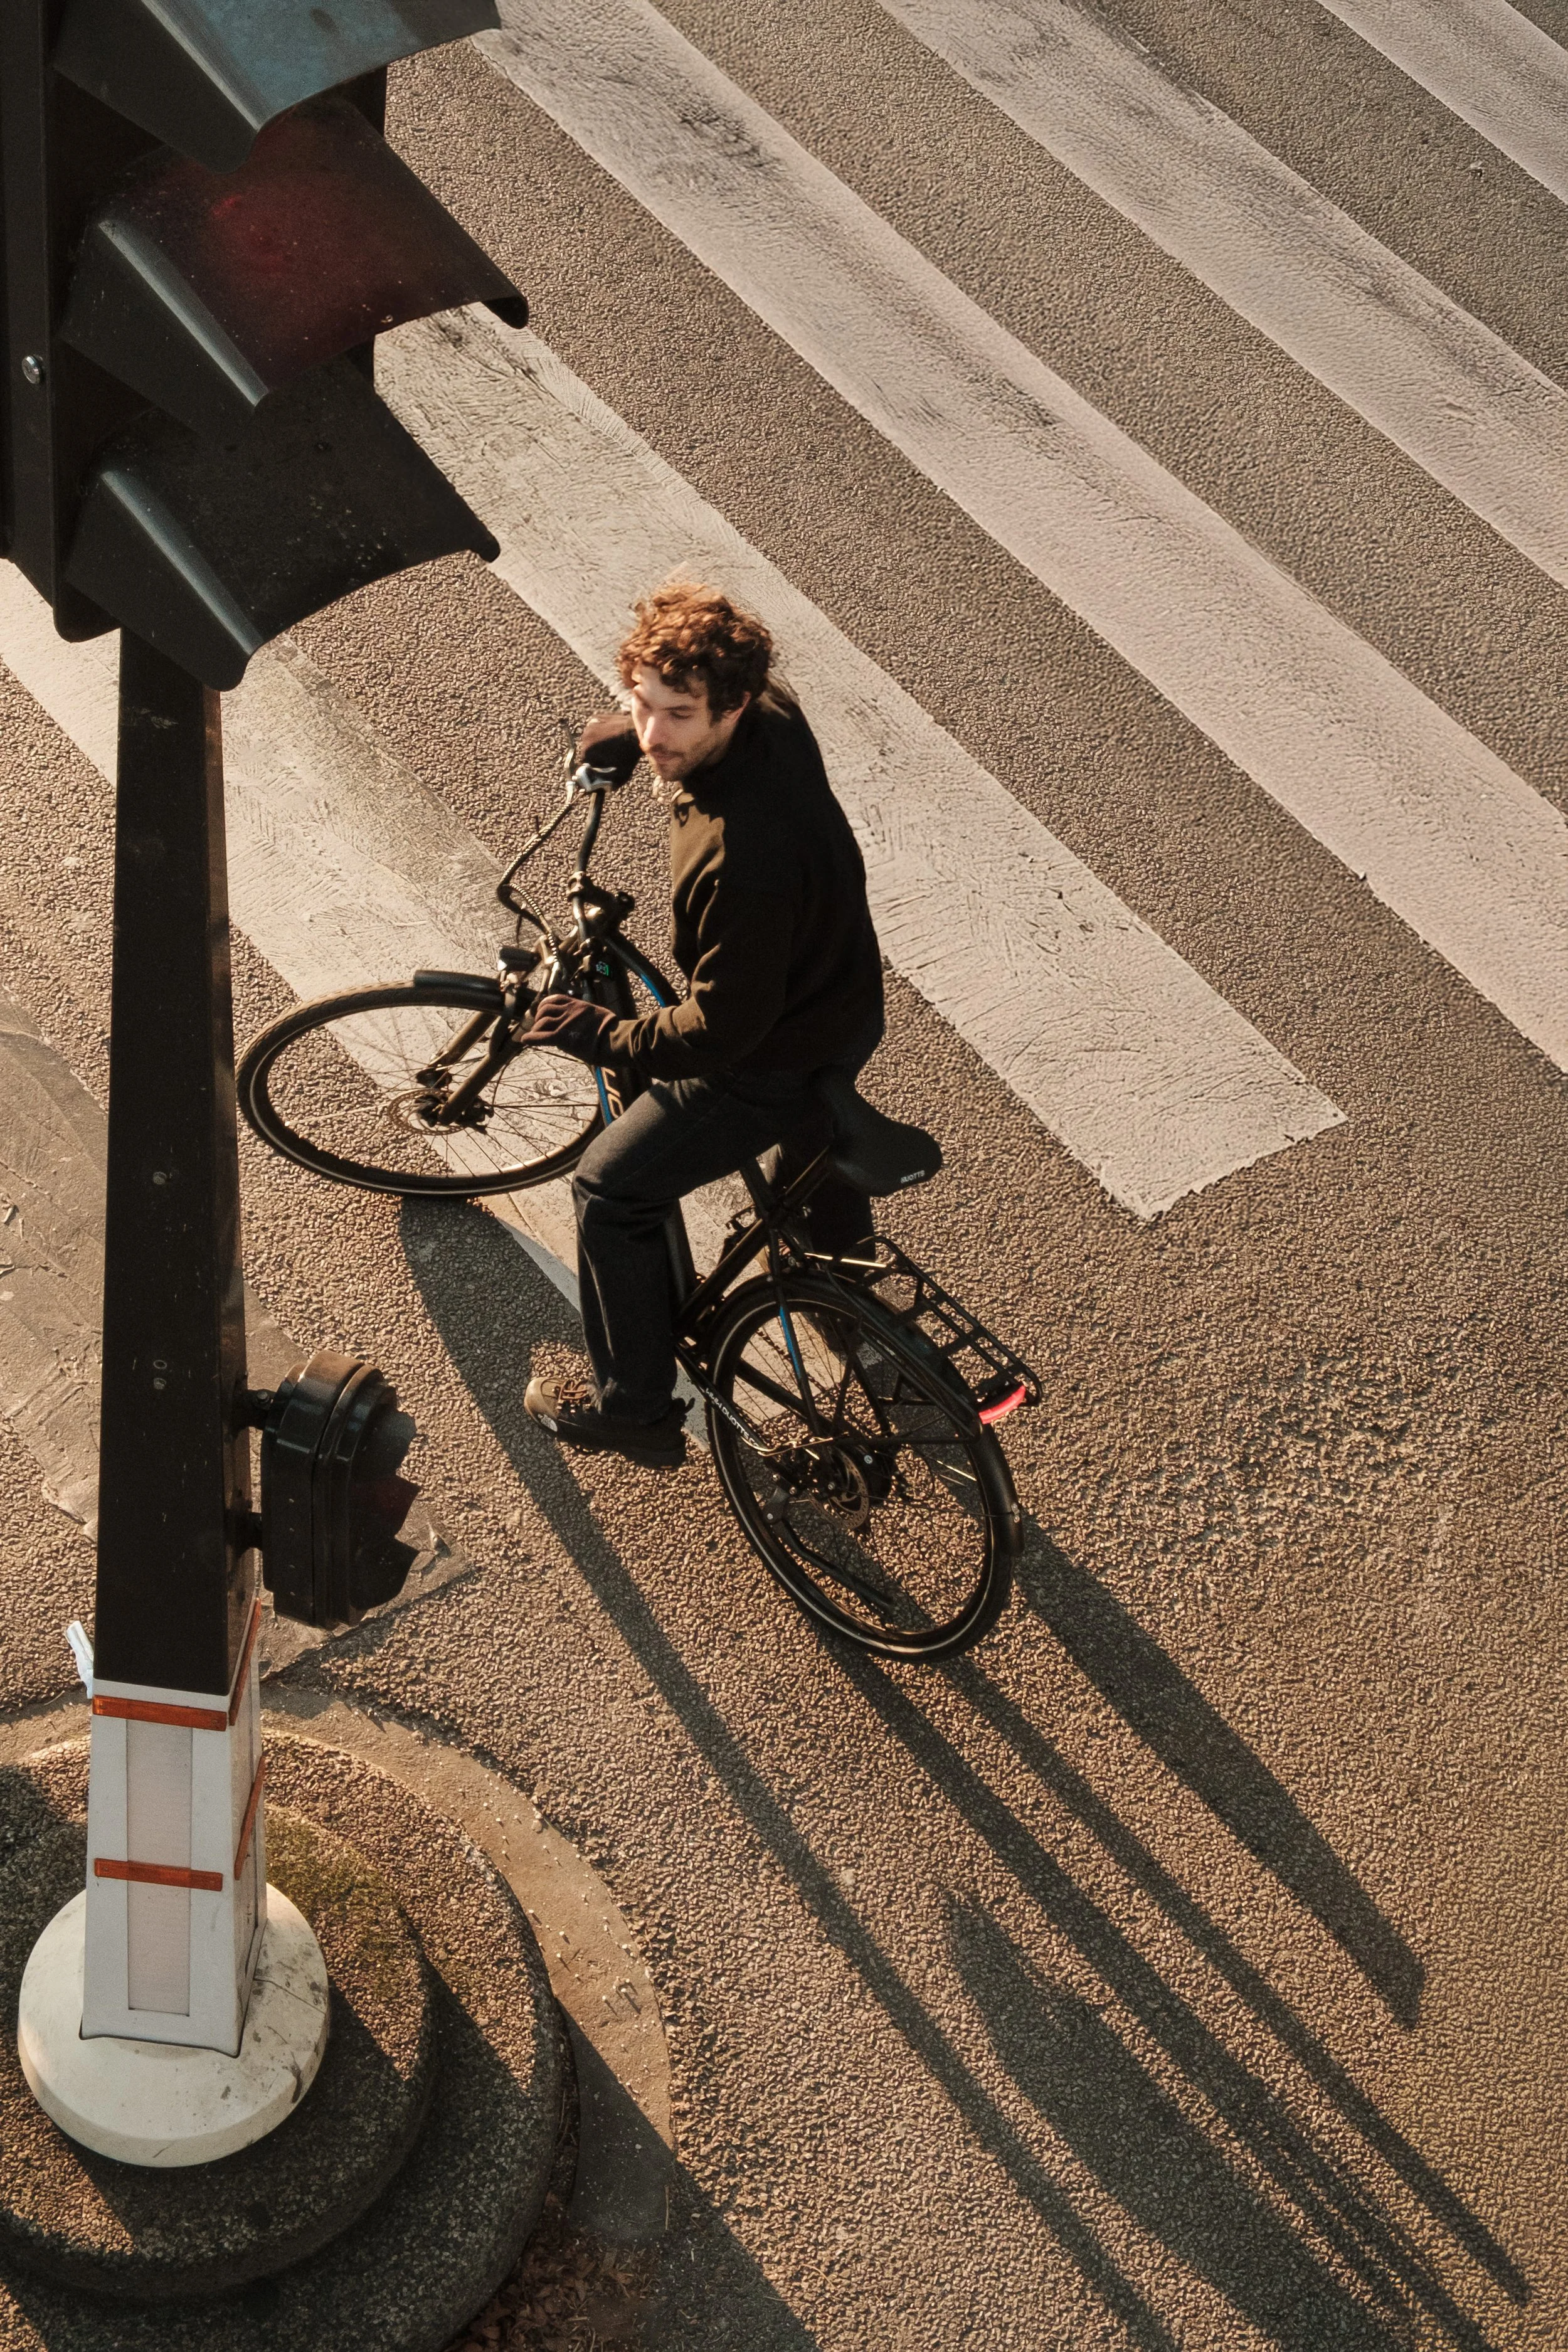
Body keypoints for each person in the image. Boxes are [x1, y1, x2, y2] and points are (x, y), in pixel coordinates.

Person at [521, 581, 885, 1468]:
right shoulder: (775, 719)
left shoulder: (741, 855)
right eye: (641, 705)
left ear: (735, 704)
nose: (654, 735)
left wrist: (603, 1035)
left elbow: (724, 1029)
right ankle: (852, 1311)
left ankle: (637, 1408)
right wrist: (627, 733)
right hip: (842, 999)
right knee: (811, 1164)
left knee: (611, 1191)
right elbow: (655, 722)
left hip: (767, 1051)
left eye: (677, 716)